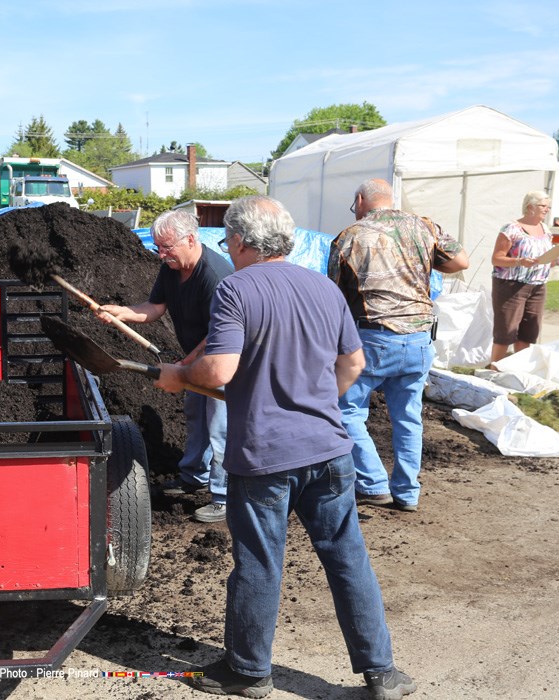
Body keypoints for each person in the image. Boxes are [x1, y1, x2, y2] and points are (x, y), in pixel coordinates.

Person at [155, 195, 415, 700]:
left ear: (239, 241)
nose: (226, 247)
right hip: (329, 450)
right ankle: (382, 672)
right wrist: (315, 403)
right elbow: (353, 364)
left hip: (264, 457)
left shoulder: (235, 289)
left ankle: (249, 672)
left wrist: (179, 376)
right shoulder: (323, 287)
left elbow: (219, 369)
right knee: (348, 559)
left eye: (226, 239)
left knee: (258, 562)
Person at [328, 179, 468, 512]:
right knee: (408, 418)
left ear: (360, 200)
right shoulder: (425, 226)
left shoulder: (349, 237)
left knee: (346, 411)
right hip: (419, 338)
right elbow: (460, 261)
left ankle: (374, 483)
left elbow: (334, 295)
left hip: (373, 337)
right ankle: (407, 493)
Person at [98, 210, 232, 524]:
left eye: (167, 247)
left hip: (221, 360)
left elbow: (218, 333)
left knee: (221, 426)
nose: (161, 254)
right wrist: (121, 313)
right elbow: (155, 307)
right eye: (158, 247)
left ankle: (224, 496)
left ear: (190, 239)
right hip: (196, 359)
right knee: (196, 415)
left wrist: (184, 366)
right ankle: (193, 476)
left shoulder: (214, 276)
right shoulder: (171, 268)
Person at [489, 191, 559, 365]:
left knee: (529, 333)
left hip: (538, 287)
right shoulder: (511, 229)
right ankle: (494, 369)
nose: (547, 209)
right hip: (510, 286)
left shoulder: (545, 229)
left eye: (548, 206)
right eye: (543, 206)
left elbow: (541, 260)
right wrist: (519, 261)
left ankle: (521, 369)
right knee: (506, 332)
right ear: (530, 207)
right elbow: (496, 258)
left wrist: (558, 261)